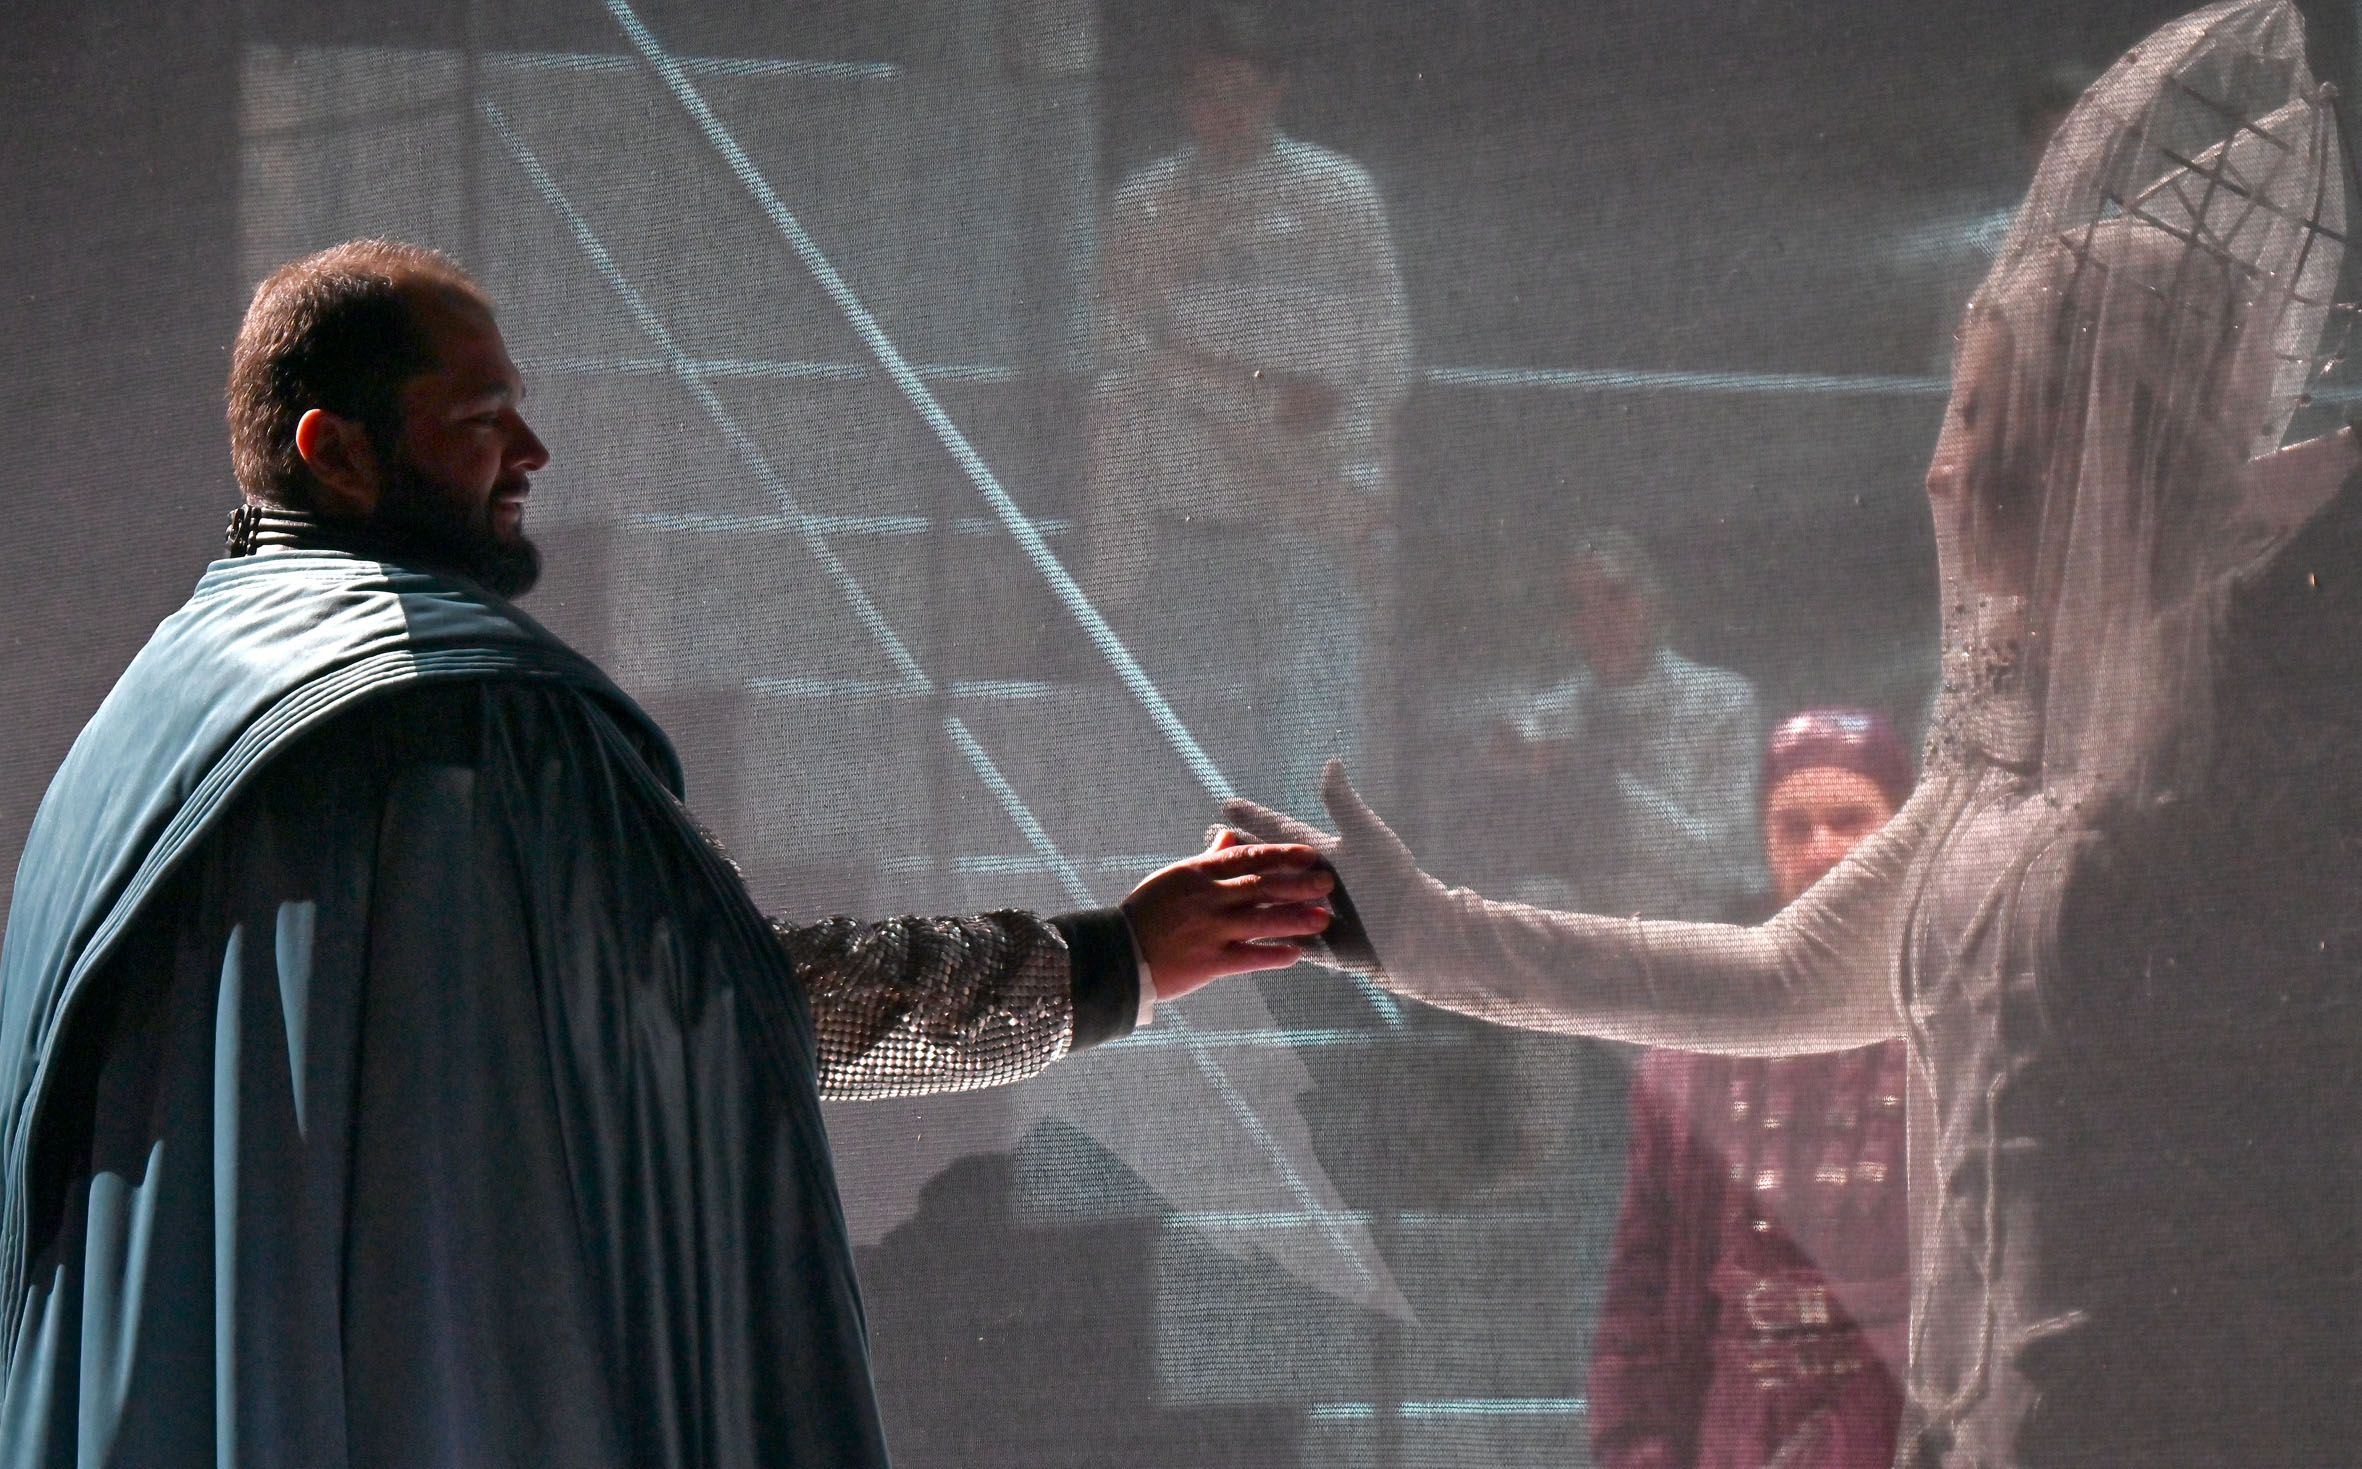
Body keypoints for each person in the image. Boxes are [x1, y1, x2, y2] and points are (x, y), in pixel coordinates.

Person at [1230, 3, 2362, 1461]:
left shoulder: (2256, 739)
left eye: (1983, 415)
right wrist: (1424, 933)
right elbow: (1775, 975)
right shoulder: (1999, 761)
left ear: (2098, 442)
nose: (1940, 469)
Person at [0, 239, 1337, 1465]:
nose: (531, 450)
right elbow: (726, 995)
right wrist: (1109, 961)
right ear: (334, 451)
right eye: (480, 418)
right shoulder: (461, 721)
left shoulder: (152, 716)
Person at [1081, 2, 1412, 821]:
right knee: (1194, 744)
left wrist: (1353, 475)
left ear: (1274, 90)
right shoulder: (1147, 206)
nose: (1220, 111)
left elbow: (1383, 355)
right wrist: (1255, 396)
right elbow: (1127, 349)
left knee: (1314, 745)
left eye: (1238, 91)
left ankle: (1311, 892)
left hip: (1314, 505)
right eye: (1202, 93)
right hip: (1194, 513)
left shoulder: (1339, 194)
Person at [1587, 710, 1915, 1469]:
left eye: (1850, 820)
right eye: (1795, 827)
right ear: (1767, 843)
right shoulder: (1696, 1053)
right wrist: (1636, 1446)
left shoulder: (1960, 1027)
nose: (1823, 848)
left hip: (1899, 1422)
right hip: (1736, 1428)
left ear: (1902, 836)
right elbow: (1641, 1285)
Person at [1477, 530, 1762, 919]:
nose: (1602, 621)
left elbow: (1730, 867)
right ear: (1568, 626)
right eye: (1581, 606)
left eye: (1617, 595)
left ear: (1653, 601)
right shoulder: (1545, 717)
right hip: (1586, 942)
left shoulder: (1724, 702)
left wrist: (1602, 786)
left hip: (1694, 939)